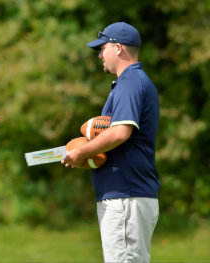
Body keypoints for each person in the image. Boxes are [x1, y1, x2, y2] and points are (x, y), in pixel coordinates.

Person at [62, 22, 160, 263]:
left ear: (118, 48)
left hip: (126, 195)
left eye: (102, 48)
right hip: (127, 194)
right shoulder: (132, 81)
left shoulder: (130, 81)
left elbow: (120, 133)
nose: (99, 54)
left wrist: (82, 152)